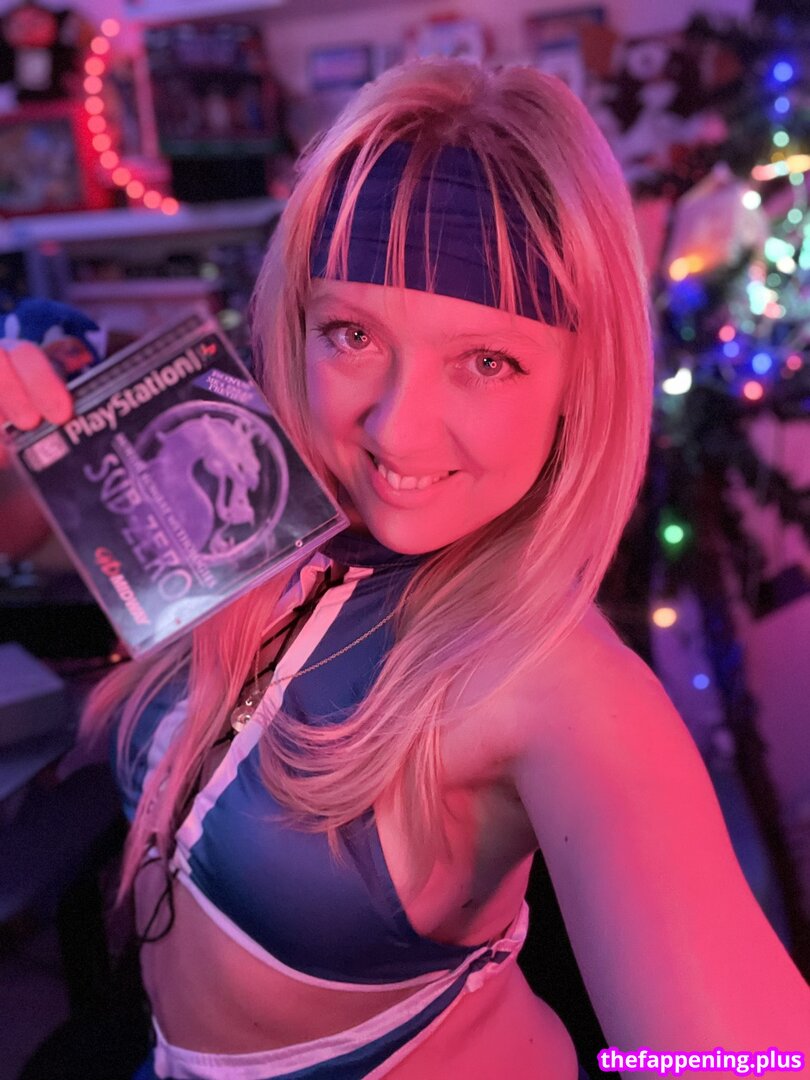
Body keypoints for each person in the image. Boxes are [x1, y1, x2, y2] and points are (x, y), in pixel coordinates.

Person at [1, 57, 808, 1080]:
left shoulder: (559, 688)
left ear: (580, 383)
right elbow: (21, 531)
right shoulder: (248, 495)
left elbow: (751, 1058)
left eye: (487, 361)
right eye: (352, 334)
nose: (397, 429)